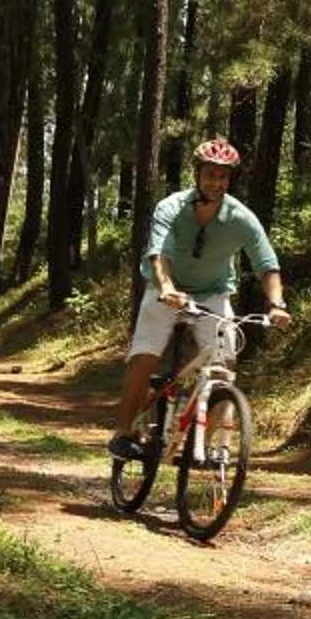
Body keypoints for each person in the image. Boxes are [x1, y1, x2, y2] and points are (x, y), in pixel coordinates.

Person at [110, 136, 287, 461]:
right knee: (145, 356)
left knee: (225, 362)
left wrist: (276, 303)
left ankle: (213, 446)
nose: (216, 182)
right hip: (167, 290)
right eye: (210, 175)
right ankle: (123, 433)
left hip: (213, 293)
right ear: (197, 175)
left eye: (222, 176)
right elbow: (158, 254)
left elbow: (267, 265)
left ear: (229, 179)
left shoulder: (241, 218)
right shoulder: (171, 208)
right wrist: (166, 287)